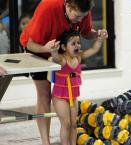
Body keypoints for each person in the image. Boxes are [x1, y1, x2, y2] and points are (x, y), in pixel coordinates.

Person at [20, 0, 104, 144]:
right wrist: (48, 50)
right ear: (69, 6)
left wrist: (98, 35)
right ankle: (46, 142)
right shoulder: (48, 7)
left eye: (83, 17)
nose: (80, 20)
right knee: (44, 95)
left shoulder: (83, 9)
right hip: (39, 48)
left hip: (62, 51)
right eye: (77, 17)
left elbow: (86, 32)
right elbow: (30, 43)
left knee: (71, 122)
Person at [46, 28, 108, 145]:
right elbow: (55, 58)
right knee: (66, 124)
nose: (77, 46)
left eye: (78, 43)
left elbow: (94, 49)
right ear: (64, 47)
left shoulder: (78, 57)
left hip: (73, 96)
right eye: (73, 43)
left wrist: (100, 39)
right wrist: (54, 51)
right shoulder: (62, 60)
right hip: (60, 97)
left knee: (74, 124)